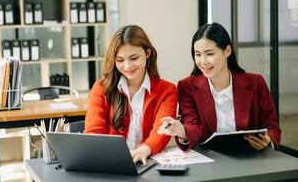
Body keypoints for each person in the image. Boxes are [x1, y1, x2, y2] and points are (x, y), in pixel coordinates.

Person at [158, 22, 281, 151]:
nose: (203, 61)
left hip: (250, 158)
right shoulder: (187, 86)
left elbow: (272, 128)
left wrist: (268, 140)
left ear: (227, 51)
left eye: (210, 54)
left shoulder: (256, 83)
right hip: (209, 161)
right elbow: (192, 124)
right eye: (198, 54)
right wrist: (182, 131)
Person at [85, 25, 177, 164]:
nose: (127, 66)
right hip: (111, 162)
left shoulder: (167, 90)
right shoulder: (101, 88)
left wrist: (145, 149)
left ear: (148, 52)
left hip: (147, 161)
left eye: (134, 58)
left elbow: (162, 130)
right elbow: (93, 132)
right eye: (120, 60)